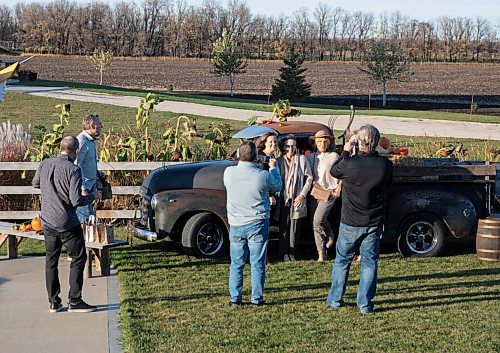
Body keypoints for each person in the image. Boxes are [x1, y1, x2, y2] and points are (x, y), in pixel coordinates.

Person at [326, 124, 393, 314]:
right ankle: (364, 304)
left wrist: (346, 151)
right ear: (378, 142)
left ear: (359, 142)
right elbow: (388, 184)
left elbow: (334, 171)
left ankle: (335, 299)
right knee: (369, 262)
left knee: (342, 261)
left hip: (350, 220)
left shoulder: (350, 163)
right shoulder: (385, 165)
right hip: (373, 221)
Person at [32, 136, 101, 313]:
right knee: (78, 258)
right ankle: (75, 300)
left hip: (47, 221)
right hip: (67, 223)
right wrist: (93, 196)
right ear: (76, 151)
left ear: (61, 147)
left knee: (51, 261)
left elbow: (35, 183)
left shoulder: (46, 163)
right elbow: (76, 200)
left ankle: (54, 302)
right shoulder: (73, 169)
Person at [223, 141, 282, 306]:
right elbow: (277, 185)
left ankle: (235, 297)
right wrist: (273, 167)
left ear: (238, 156)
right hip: (257, 222)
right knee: (257, 263)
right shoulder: (262, 176)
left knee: (236, 263)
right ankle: (256, 298)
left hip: (235, 223)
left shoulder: (228, 173)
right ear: (256, 157)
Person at [276, 135, 313, 262]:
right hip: (284, 198)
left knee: (295, 227)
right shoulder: (279, 161)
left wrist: (302, 194)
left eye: (293, 146)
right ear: (283, 147)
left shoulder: (301, 159)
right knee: (284, 226)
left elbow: (309, 178)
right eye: (287, 146)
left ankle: (292, 252)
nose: (290, 148)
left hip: (297, 198)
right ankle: (284, 253)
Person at [306, 130, 341, 262]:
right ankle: (321, 252)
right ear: (314, 143)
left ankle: (330, 233)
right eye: (319, 141)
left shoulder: (334, 156)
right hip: (315, 192)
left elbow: (341, 173)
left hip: (329, 192)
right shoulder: (310, 157)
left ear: (329, 143)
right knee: (314, 223)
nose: (322, 143)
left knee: (318, 220)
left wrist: (339, 187)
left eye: (325, 141)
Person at [75, 114, 103, 223]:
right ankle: (84, 240)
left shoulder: (90, 141)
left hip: (90, 185)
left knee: (89, 217)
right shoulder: (81, 141)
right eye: (99, 124)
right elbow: (76, 165)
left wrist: (97, 174)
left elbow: (87, 163)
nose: (102, 126)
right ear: (92, 126)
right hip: (84, 188)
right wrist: (82, 188)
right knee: (85, 219)